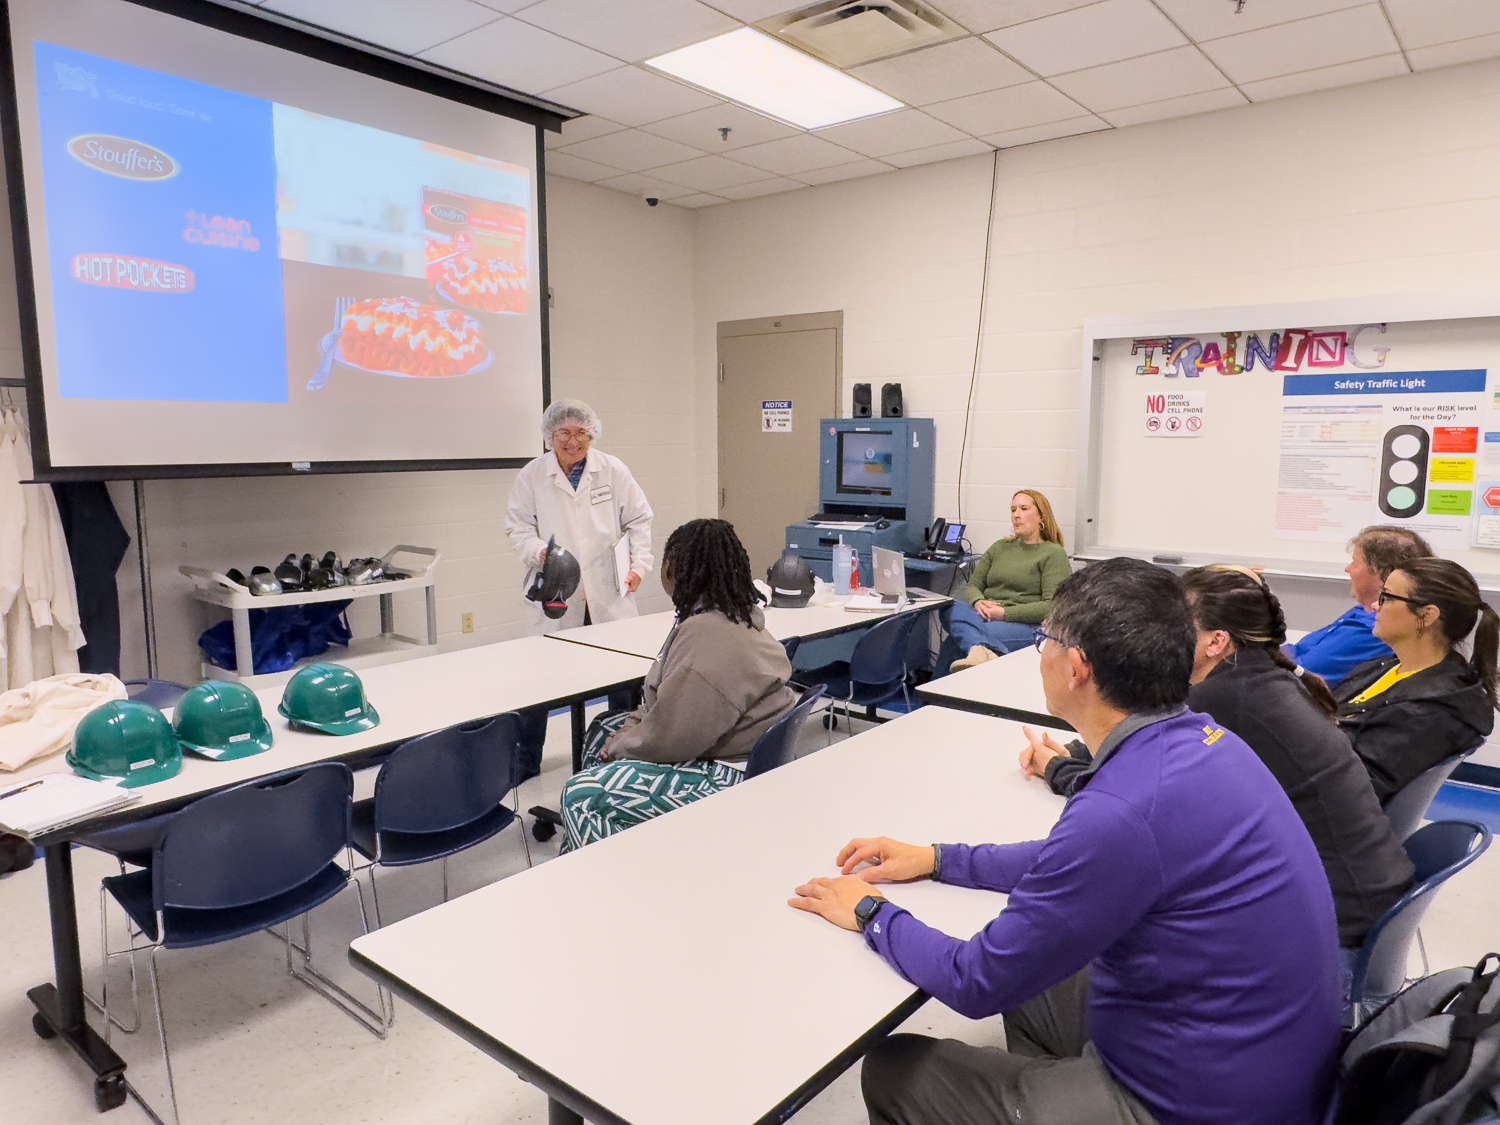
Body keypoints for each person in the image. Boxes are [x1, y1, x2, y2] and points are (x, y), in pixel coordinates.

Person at [790, 557, 1340, 1125]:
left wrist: (871, 912)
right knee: (1037, 980)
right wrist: (938, 860)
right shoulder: (1209, 743)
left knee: (895, 1067)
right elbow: (1072, 863)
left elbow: (974, 980)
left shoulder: (1122, 808)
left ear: (1076, 667)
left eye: (1043, 640)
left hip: (1201, 1105)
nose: (1041, 654)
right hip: (1265, 1063)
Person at [558, 519, 796, 852]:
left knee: (582, 796)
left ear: (678, 570)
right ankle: (593, 847)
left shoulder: (708, 634)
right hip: (741, 749)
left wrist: (621, 747)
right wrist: (625, 732)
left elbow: (674, 737)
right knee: (602, 727)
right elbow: (662, 700)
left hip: (731, 773)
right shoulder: (728, 612)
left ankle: (605, 879)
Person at [505, 400, 654, 776]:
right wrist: (540, 552)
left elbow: (639, 519)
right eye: (563, 434)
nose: (572, 442)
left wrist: (639, 565)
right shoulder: (533, 475)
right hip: (556, 586)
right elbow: (518, 525)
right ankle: (527, 761)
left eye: (580, 433)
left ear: (592, 433)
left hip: (608, 587)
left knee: (622, 676)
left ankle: (619, 749)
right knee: (543, 678)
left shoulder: (612, 469)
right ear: (549, 436)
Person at [1335, 557, 1498, 805]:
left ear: (1427, 614)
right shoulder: (1388, 667)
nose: (1376, 606)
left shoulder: (1432, 709)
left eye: (1387, 597)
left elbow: (1354, 789)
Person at [944, 489, 1070, 672]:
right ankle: (979, 650)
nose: (1017, 515)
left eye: (1024, 508)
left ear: (1041, 516)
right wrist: (978, 601)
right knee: (949, 605)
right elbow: (973, 585)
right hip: (984, 617)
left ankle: (934, 697)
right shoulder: (999, 547)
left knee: (955, 641)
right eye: (1013, 510)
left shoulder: (1053, 553)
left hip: (1024, 625)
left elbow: (1053, 606)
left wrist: (1003, 613)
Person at [1288, 525, 1432, 685]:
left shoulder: (1376, 628)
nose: (1348, 569)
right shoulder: (1365, 610)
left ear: (1385, 573)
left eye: (1355, 564)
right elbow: (1297, 652)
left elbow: (1296, 676)